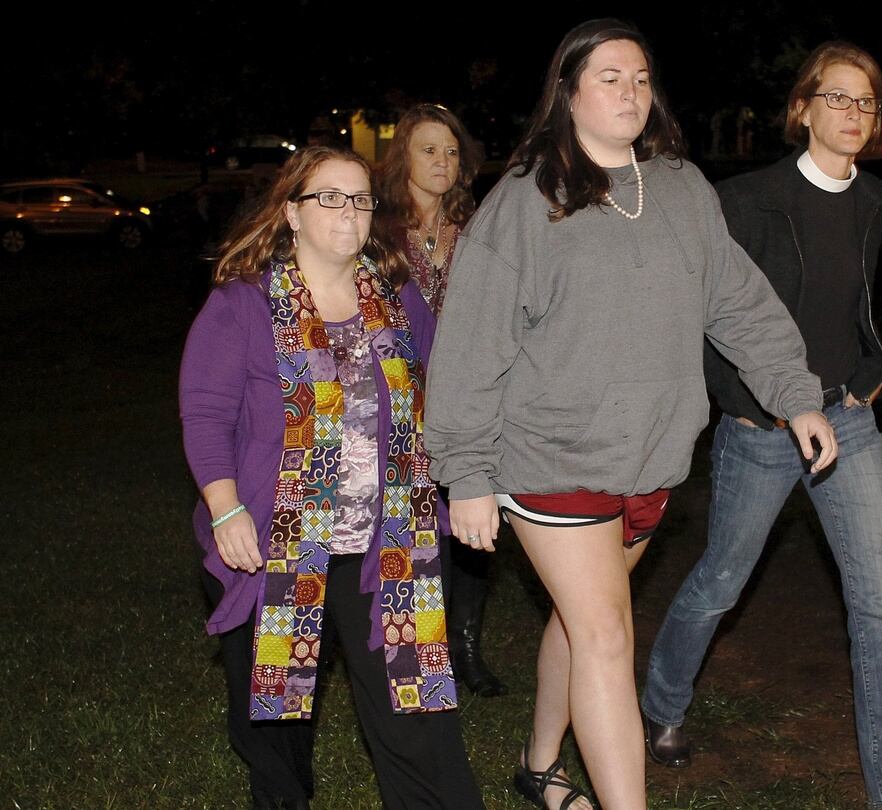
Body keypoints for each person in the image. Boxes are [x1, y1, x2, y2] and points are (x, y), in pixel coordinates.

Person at [424, 19, 838, 810]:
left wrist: (796, 395)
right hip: (551, 457)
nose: (630, 92)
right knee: (608, 635)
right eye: (609, 77)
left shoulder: (680, 189)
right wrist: (467, 472)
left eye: (641, 78)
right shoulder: (525, 201)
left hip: (651, 458)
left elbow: (739, 303)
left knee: (583, 621)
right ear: (567, 92)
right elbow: (472, 345)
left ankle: (539, 766)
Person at [641, 42, 882, 810]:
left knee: (879, 608)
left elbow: (856, 303)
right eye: (836, 97)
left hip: (848, 422)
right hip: (762, 429)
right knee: (721, 582)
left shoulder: (873, 198)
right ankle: (661, 703)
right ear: (802, 108)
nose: (853, 113)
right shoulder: (746, 200)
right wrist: (744, 402)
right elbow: (707, 317)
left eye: (866, 101)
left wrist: (869, 373)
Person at [179, 146, 483, 809]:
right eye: (330, 197)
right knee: (276, 722)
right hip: (277, 541)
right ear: (292, 212)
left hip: (388, 541)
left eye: (361, 199)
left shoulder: (398, 298)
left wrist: (471, 474)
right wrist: (226, 509)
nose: (349, 211)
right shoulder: (244, 304)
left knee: (416, 711)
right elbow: (205, 413)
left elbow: (446, 391)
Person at [375, 102, 508, 697]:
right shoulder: (378, 233)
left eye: (452, 152)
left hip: (472, 403)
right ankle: (411, 648)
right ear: (402, 157)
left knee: (474, 527)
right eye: (429, 149)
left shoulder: (478, 230)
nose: (442, 161)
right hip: (400, 404)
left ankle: (466, 648)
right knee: (413, 529)